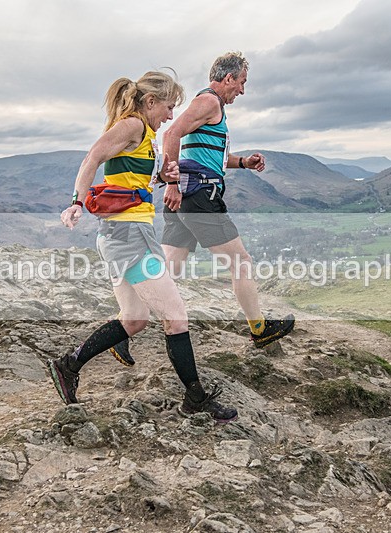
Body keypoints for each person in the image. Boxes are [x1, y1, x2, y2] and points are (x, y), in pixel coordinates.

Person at [49, 70, 238, 423]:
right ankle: (195, 398)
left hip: (121, 236)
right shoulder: (133, 125)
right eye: (168, 107)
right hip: (130, 237)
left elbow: (131, 178)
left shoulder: (145, 135)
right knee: (176, 315)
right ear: (150, 102)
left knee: (135, 319)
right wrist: (76, 202)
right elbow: (92, 157)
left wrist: (164, 176)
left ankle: (69, 365)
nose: (170, 115)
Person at [160, 52, 295, 348]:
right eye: (242, 82)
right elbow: (171, 134)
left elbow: (209, 157)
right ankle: (259, 329)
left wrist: (244, 162)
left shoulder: (211, 106)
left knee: (169, 269)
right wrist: (171, 183)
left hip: (187, 196)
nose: (242, 91)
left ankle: (124, 323)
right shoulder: (208, 102)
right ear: (229, 78)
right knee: (241, 262)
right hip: (199, 196)